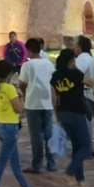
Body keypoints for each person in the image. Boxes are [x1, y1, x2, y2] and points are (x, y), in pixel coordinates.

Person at [0, 60, 40, 187]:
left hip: (1, 127)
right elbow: (19, 109)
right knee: (2, 163)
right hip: (11, 128)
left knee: (15, 163)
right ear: (9, 74)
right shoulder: (10, 89)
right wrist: (20, 96)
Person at [51, 48, 92, 187]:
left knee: (76, 147)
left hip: (62, 112)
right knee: (86, 147)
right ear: (71, 61)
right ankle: (70, 172)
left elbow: (54, 97)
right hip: (76, 112)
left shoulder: (55, 76)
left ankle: (79, 180)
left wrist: (56, 115)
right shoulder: (77, 74)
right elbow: (91, 83)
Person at [19, 38, 57, 174]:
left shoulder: (27, 65)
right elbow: (53, 83)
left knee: (36, 136)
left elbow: (22, 83)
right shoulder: (48, 63)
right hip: (47, 103)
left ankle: (37, 164)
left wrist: (24, 95)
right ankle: (52, 163)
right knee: (49, 134)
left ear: (28, 50)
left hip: (33, 103)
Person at [74, 35, 94, 156]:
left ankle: (86, 148)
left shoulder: (82, 58)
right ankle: (89, 147)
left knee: (83, 123)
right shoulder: (88, 57)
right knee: (87, 122)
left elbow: (76, 74)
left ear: (79, 46)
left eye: (75, 44)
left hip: (82, 93)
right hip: (86, 92)